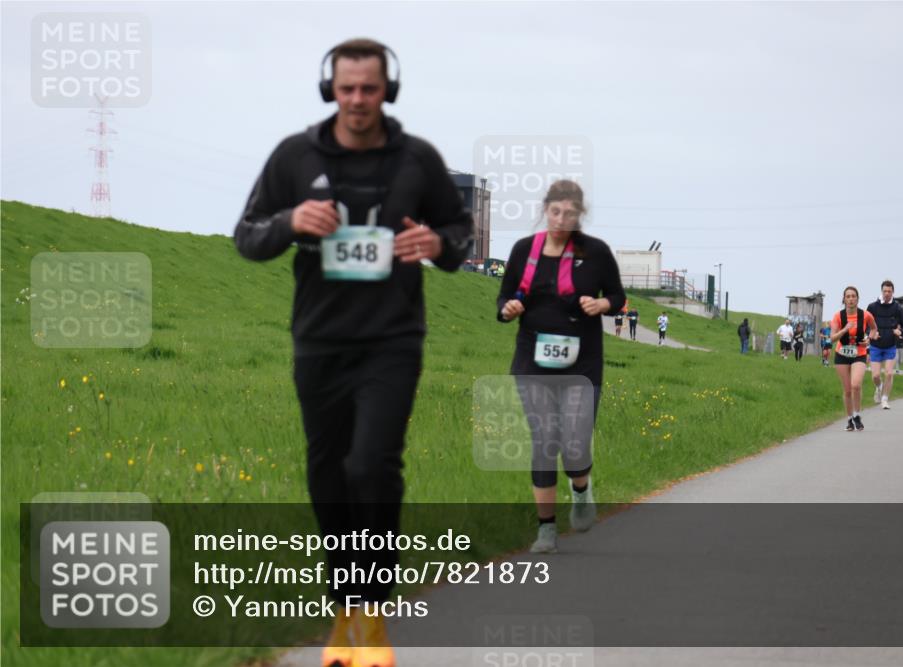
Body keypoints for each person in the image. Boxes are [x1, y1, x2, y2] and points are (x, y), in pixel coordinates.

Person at [234, 38, 472, 667]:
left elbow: (459, 236)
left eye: (369, 88)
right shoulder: (294, 156)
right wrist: (290, 224)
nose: (358, 100)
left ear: (387, 90)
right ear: (329, 90)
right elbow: (247, 237)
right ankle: (346, 608)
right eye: (347, 89)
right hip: (319, 339)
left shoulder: (418, 160)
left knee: (372, 464)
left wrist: (436, 243)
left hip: (392, 339)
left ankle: (372, 615)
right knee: (329, 474)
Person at [497, 179, 625, 554]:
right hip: (531, 359)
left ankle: (581, 489)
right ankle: (546, 530)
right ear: (545, 209)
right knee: (544, 441)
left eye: (570, 213)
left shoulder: (596, 252)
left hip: (580, 363)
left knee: (573, 443)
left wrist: (602, 306)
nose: (561, 219)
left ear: (580, 215)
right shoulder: (524, 250)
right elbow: (504, 297)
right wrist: (508, 309)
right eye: (556, 211)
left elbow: (617, 296)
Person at [830, 287, 878, 431]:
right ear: (844, 299)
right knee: (847, 390)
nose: (851, 299)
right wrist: (844, 329)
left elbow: (874, 329)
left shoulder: (866, 315)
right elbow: (832, 338)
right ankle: (849, 419)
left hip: (859, 353)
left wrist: (869, 339)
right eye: (848, 296)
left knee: (856, 385)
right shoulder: (838, 316)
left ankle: (857, 415)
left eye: (853, 296)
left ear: (857, 298)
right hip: (842, 354)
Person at [866, 280, 903, 410]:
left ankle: (885, 399)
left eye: (889, 291)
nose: (887, 293)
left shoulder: (897, 308)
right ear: (881, 291)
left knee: (889, 373)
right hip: (875, 345)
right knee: (875, 376)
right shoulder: (872, 307)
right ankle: (879, 387)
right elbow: (865, 325)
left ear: (893, 292)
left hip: (891, 345)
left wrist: (900, 331)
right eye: (885, 291)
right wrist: (871, 333)